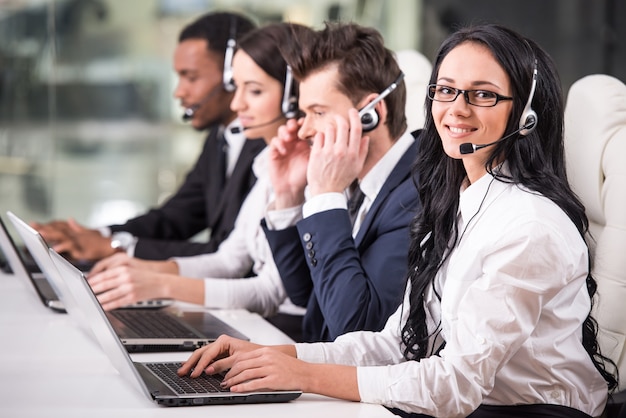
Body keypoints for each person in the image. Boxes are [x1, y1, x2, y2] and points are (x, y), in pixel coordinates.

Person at [177, 24, 618, 418]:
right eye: (445, 90)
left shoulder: (528, 225)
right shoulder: (457, 201)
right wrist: (274, 355)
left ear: (524, 114)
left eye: (482, 94)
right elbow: (395, 344)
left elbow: (456, 386)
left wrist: (301, 374)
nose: (457, 109)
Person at [86, 23, 313, 330]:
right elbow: (229, 259)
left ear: (294, 96)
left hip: (285, 332)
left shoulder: (307, 173)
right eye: (237, 87)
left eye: (255, 90)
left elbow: (270, 291)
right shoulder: (266, 165)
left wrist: (160, 285)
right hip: (260, 325)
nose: (237, 104)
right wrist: (143, 269)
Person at [32, 11, 265, 261]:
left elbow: (234, 256)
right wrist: (92, 235)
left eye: (191, 77)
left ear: (233, 76)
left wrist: (116, 246)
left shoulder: (269, 146)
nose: (179, 92)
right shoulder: (219, 140)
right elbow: (174, 219)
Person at [261, 22, 420, 342]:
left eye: (317, 112)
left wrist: (325, 195)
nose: (303, 130)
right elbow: (311, 298)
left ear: (371, 113)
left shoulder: (417, 193)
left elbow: (356, 328)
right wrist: (289, 194)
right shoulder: (357, 180)